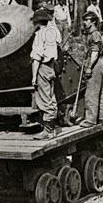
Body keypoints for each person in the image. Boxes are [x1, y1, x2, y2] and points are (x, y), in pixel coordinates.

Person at [30, 9, 60, 140]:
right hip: (51, 67)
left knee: (43, 99)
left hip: (42, 67)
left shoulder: (39, 34)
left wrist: (33, 76)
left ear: (37, 23)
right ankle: (52, 129)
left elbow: (36, 57)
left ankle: (47, 131)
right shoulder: (52, 32)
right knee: (51, 97)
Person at [79, 11, 103, 127]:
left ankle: (90, 120)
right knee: (99, 92)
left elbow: (95, 52)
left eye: (87, 20)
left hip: (95, 64)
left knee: (91, 92)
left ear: (93, 21)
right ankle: (102, 117)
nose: (85, 23)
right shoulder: (92, 34)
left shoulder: (94, 34)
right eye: (84, 20)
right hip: (100, 63)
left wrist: (89, 67)